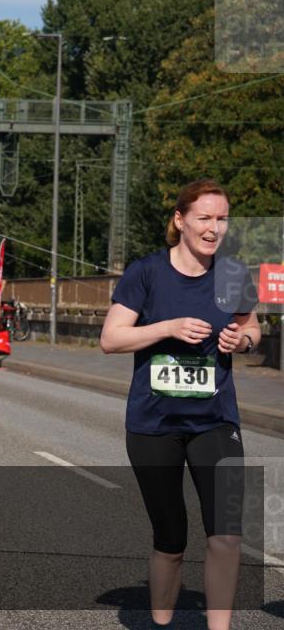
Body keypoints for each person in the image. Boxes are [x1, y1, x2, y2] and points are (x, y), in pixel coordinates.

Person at [100, 179, 260, 630]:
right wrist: (166, 326)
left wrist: (241, 340)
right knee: (171, 540)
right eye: (205, 218)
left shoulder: (232, 274)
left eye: (222, 218)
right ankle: (162, 623)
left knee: (226, 537)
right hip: (155, 424)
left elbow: (253, 329)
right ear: (180, 220)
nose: (215, 228)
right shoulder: (147, 273)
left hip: (216, 421)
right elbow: (111, 339)